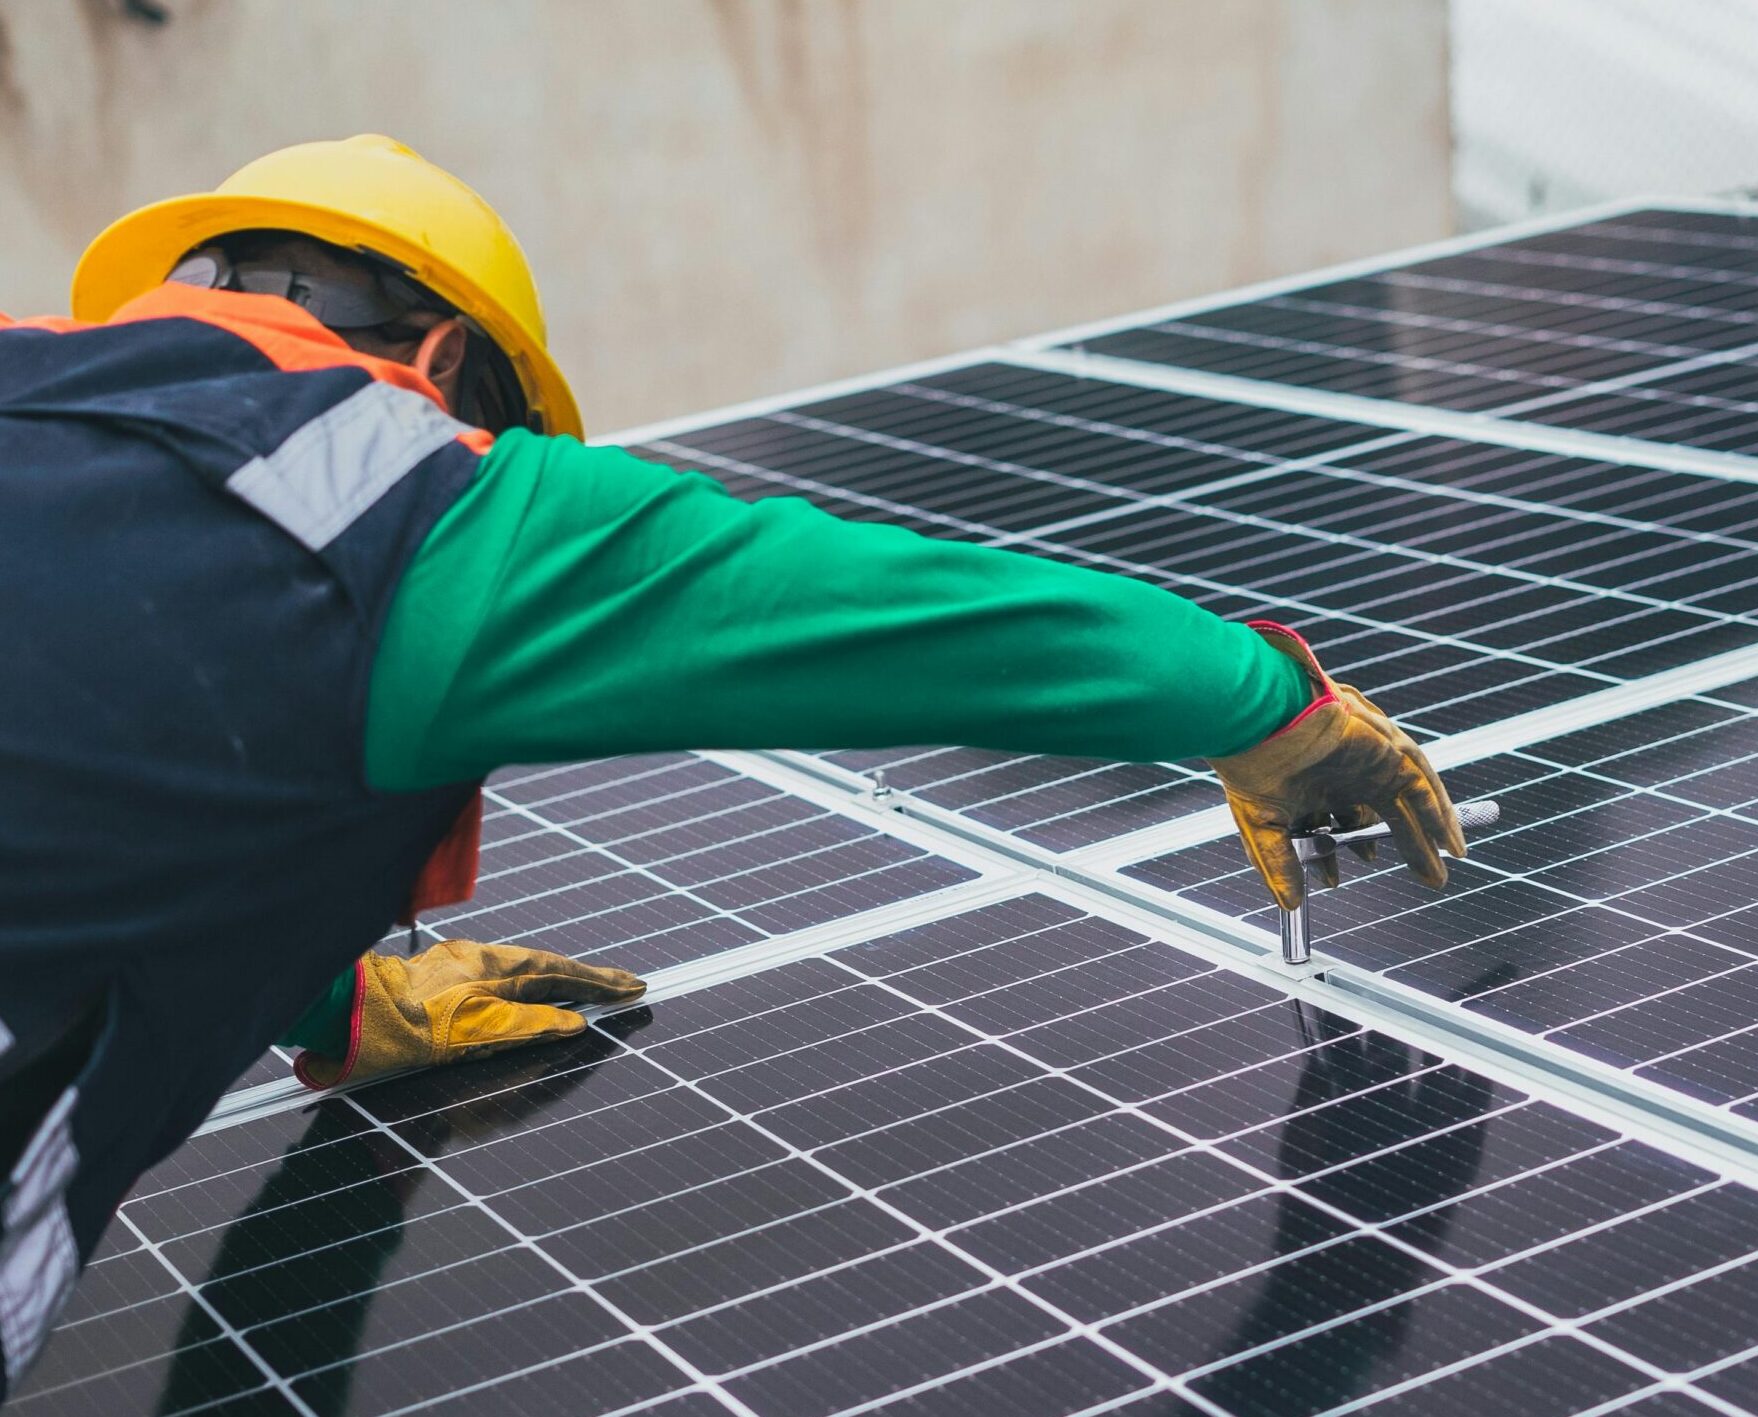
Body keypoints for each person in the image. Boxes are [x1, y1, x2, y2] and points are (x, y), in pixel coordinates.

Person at [0, 134, 1462, 1395]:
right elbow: (908, 611)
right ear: (448, 363)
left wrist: (326, 988)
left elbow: (112, 734)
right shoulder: (420, 497)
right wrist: (1273, 706)